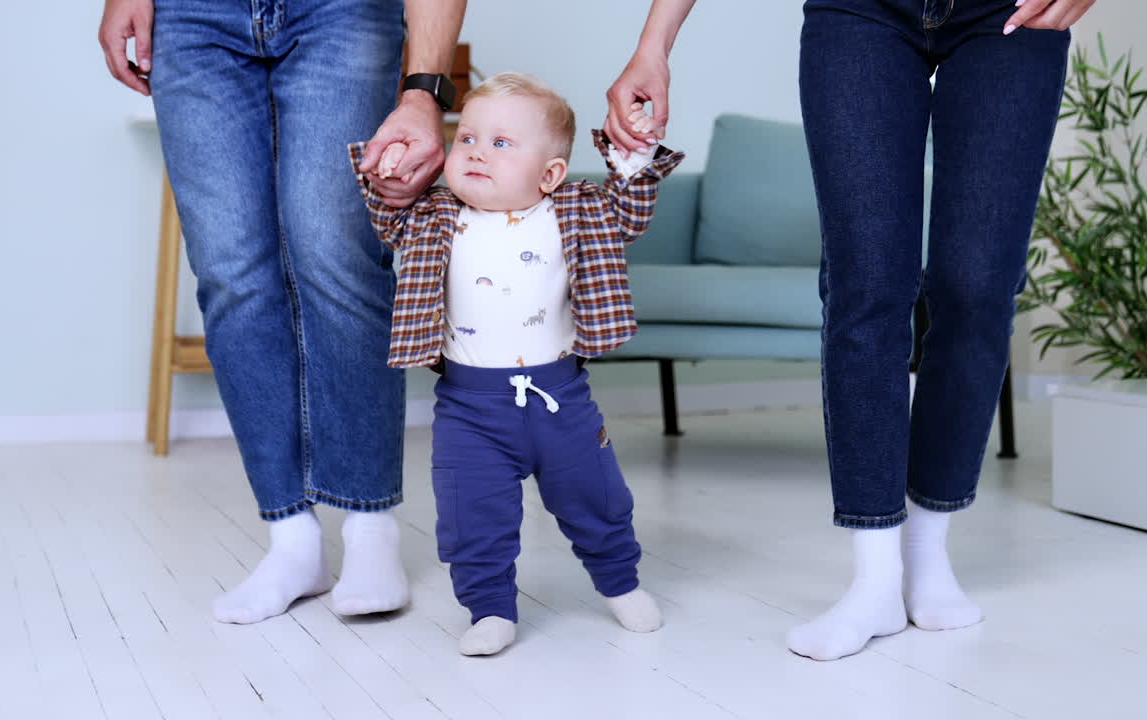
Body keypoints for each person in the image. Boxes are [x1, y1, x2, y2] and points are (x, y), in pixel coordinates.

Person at [605, 0, 1094, 660]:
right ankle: (876, 577)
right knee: (867, 283)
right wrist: (654, 44)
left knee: (977, 285)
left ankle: (927, 552)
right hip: (860, 12)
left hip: (1009, 17)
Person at [98, 0, 466, 624]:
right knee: (230, 271)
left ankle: (369, 528)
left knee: (337, 252)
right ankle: (292, 540)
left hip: (343, 12)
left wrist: (425, 87)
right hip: (190, 18)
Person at [350, 72, 683, 655]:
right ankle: (490, 609)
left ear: (550, 174)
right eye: (468, 139)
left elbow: (628, 211)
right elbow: (387, 214)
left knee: (597, 500)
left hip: (562, 402)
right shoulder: (433, 216)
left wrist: (636, 153)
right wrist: (391, 169)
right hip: (469, 407)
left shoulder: (575, 211)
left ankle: (620, 582)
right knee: (470, 513)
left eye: (502, 144)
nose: (477, 151)